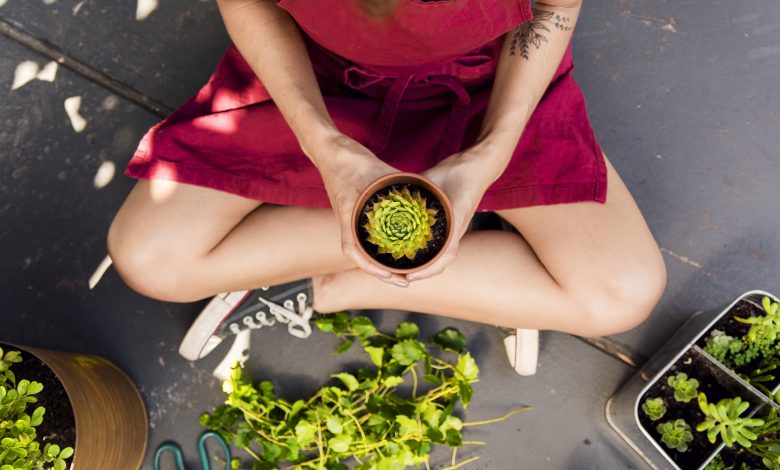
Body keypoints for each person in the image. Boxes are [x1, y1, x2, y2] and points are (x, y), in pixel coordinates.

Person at [107, 0, 667, 374]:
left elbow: (553, 5)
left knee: (622, 291)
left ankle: (321, 285)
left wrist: (493, 152)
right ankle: (478, 256)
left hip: (490, 85)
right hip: (318, 81)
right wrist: (322, 144)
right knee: (151, 259)